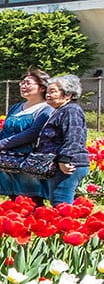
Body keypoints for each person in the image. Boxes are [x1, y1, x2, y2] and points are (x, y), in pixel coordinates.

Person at [0, 70, 54, 201]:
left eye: (28, 83)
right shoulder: (16, 107)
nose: (23, 86)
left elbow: (32, 134)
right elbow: (5, 130)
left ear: (42, 87)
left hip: (28, 161)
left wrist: (1, 144)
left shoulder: (46, 109)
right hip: (8, 161)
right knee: (13, 199)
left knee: (31, 200)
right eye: (22, 83)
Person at [36, 74, 91, 206]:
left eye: (53, 91)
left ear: (68, 94)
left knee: (61, 203)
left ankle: (67, 226)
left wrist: (64, 159)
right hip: (59, 164)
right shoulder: (60, 110)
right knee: (57, 201)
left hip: (68, 165)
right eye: (47, 91)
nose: (48, 95)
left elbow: (74, 136)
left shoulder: (71, 110)